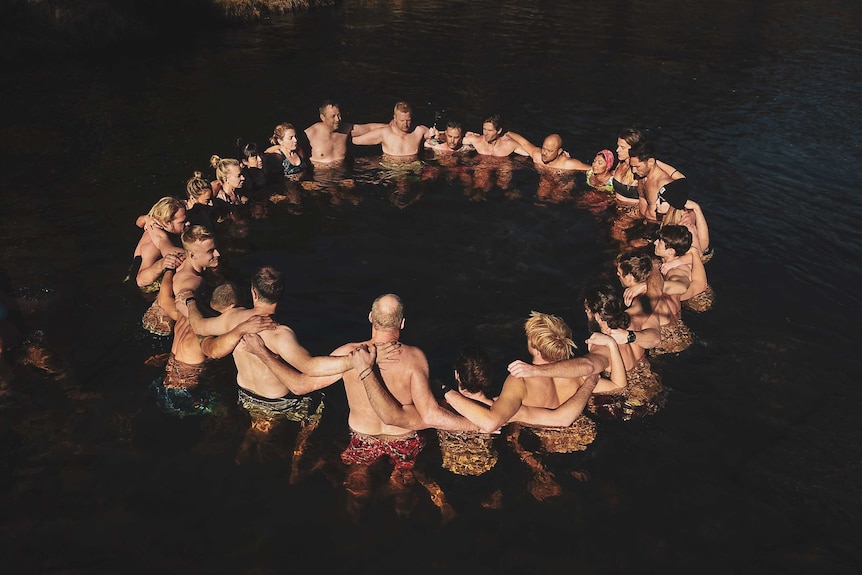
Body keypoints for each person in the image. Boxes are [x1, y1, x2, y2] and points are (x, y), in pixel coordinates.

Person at [445, 312, 624, 499]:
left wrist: (445, 391)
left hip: (543, 447)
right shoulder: (577, 372)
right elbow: (618, 386)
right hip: (583, 439)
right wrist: (609, 351)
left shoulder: (519, 381)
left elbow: (493, 420)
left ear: (536, 349)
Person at [328, 294, 477, 517]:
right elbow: (430, 413)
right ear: (402, 323)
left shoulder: (347, 354)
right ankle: (402, 517)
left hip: (362, 438)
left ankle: (355, 520)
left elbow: (306, 378)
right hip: (404, 441)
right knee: (403, 485)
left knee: (357, 485)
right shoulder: (415, 357)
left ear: (370, 317)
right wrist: (477, 425)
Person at [582, 284, 667, 419]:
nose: (586, 313)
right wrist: (644, 284)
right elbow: (656, 289)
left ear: (597, 316)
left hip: (629, 403)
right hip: (653, 387)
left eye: (587, 310)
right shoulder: (635, 319)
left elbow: (588, 367)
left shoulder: (600, 347)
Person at [131, 197, 188, 337]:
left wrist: (145, 218)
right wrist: (162, 264)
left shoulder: (157, 224)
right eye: (182, 222)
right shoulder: (153, 246)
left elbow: (139, 221)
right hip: (146, 286)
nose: (188, 223)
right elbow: (141, 280)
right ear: (167, 223)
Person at [612, 127, 684, 218]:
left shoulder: (642, 169)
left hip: (633, 215)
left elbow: (681, 180)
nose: (617, 150)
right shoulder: (621, 163)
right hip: (616, 208)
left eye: (622, 147)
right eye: (618, 146)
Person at [304, 100, 388, 165]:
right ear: (322, 117)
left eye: (339, 115)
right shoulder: (309, 134)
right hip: (320, 178)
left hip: (341, 174)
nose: (337, 119)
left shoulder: (345, 129)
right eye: (333, 116)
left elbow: (369, 127)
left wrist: (392, 126)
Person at [352, 101, 438, 160]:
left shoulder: (419, 131)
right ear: (395, 118)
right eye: (402, 121)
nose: (405, 124)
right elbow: (356, 141)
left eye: (408, 120)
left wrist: (435, 136)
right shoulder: (384, 133)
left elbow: (435, 138)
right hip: (391, 170)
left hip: (413, 168)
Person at [656, 178, 712, 262]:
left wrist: (674, 263)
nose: (656, 202)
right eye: (658, 198)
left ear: (672, 205)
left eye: (661, 201)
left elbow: (699, 255)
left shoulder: (685, 225)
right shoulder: (669, 217)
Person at [504, 131, 592, 172]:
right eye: (544, 148)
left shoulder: (568, 164)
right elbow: (524, 143)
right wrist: (507, 133)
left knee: (559, 196)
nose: (544, 153)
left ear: (559, 151)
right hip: (545, 175)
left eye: (549, 151)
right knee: (541, 194)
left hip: (562, 177)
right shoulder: (538, 156)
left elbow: (592, 169)